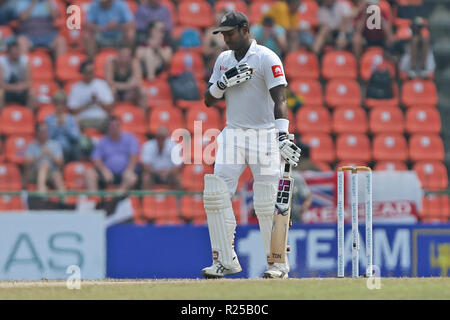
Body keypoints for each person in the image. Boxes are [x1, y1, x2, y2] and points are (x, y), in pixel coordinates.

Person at [201, 11, 301, 279]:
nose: (225, 39)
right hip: (233, 133)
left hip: (265, 135)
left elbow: (280, 99)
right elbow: (208, 100)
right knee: (215, 193)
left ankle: (277, 264)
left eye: (230, 33)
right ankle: (224, 260)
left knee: (268, 201)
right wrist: (222, 83)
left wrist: (282, 135)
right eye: (222, 34)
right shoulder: (223, 60)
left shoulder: (267, 58)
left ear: (245, 29)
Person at [86, 116, 139, 194]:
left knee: (131, 177)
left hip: (125, 172)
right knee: (89, 173)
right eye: (112, 126)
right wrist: (104, 170)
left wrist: (129, 170)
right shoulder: (103, 141)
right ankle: (94, 200)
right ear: (108, 129)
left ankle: (116, 198)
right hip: (108, 174)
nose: (115, 128)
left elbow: (134, 156)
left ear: (120, 126)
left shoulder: (130, 138)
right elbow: (96, 158)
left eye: (117, 125)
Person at [67, 60, 114, 131]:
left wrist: (97, 101)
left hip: (101, 119)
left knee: (112, 122)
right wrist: (89, 103)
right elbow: (73, 110)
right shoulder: (76, 87)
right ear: (82, 72)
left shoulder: (102, 84)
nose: (91, 74)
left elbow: (109, 107)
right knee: (72, 122)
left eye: (92, 71)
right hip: (83, 120)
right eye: (88, 72)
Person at [24, 122, 65, 193]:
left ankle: (64, 199)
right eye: (42, 131)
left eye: (46, 130)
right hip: (35, 173)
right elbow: (27, 164)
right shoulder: (32, 145)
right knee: (44, 165)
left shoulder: (55, 144)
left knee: (57, 176)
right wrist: (41, 155)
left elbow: (60, 163)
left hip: (52, 172)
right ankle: (42, 190)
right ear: (37, 132)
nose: (44, 132)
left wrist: (50, 155)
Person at [45, 91, 81, 162]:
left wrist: (65, 127)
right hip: (54, 148)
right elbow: (47, 138)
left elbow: (76, 137)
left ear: (65, 105)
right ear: (54, 105)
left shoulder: (71, 119)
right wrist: (56, 127)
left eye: (62, 104)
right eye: (57, 104)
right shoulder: (49, 119)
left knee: (76, 148)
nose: (60, 107)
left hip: (68, 147)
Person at [0, 41, 33, 109]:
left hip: (21, 89)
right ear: (9, 52)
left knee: (32, 93)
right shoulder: (2, 62)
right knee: (0, 93)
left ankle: (29, 116)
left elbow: (28, 83)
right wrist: (16, 87)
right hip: (7, 89)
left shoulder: (25, 61)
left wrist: (20, 87)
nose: (16, 53)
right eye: (14, 51)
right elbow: (1, 84)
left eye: (17, 50)